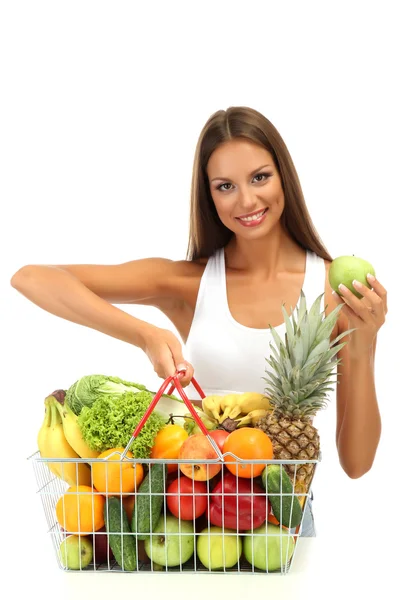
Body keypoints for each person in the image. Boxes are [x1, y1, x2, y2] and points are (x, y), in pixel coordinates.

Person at [10, 106, 386, 538]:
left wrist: (364, 343)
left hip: (281, 525)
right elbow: (31, 278)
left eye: (260, 177)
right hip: (185, 515)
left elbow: (357, 465)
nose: (246, 201)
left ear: (285, 177)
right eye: (225, 186)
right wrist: (145, 334)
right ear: (209, 197)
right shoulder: (189, 283)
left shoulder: (333, 289)